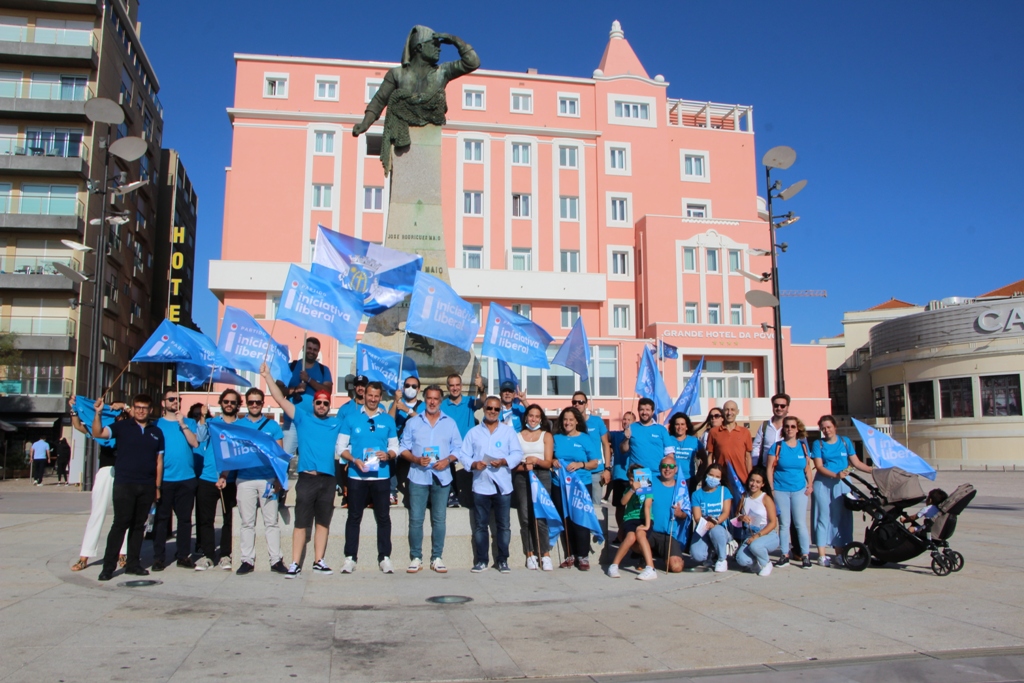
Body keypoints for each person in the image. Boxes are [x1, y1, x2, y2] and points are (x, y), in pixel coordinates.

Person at [261, 362, 343, 579]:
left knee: (323, 523)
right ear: (314, 403)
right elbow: (279, 399)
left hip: (328, 480)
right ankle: (295, 563)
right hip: (307, 478)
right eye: (319, 402)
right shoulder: (302, 418)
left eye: (326, 403)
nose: (322, 405)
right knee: (301, 523)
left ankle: (319, 561)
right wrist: (267, 376)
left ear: (329, 405)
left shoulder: (336, 423)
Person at [92, 395, 163, 581]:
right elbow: (98, 433)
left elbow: (159, 461)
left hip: (147, 485)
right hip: (125, 483)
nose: (141, 410)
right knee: (120, 524)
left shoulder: (156, 432)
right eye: (138, 407)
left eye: (145, 408)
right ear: (133, 408)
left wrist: (157, 487)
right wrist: (98, 414)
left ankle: (133, 563)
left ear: (150, 410)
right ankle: (108, 567)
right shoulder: (122, 427)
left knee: (139, 526)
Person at [336, 381, 400, 574]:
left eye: (376, 396)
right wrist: (354, 460)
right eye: (370, 395)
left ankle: (385, 557)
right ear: (364, 396)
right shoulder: (351, 418)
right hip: (357, 476)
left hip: (381, 476)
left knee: (384, 518)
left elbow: (395, 447)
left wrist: (388, 455)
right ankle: (350, 558)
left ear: (381, 397)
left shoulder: (388, 420)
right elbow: (341, 448)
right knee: (354, 517)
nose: (373, 399)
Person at [398, 385, 462, 573]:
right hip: (418, 476)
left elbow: (458, 449)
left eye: (436, 399)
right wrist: (416, 459)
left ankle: (437, 557)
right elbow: (402, 448)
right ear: (424, 399)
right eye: (429, 398)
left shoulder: (449, 423)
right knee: (416, 519)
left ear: (440, 401)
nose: (432, 402)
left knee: (439, 519)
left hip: (442, 476)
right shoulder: (413, 423)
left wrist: (447, 460)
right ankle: (416, 557)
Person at [457, 395, 523, 573]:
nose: (492, 412)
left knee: (503, 525)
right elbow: (463, 454)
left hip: (502, 485)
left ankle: (502, 560)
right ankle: (482, 560)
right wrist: (473, 464)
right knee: (480, 525)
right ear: (484, 410)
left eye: (496, 409)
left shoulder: (508, 432)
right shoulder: (474, 432)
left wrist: (504, 461)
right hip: (481, 485)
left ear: (500, 411)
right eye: (489, 408)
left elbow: (517, 454)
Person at [232, 387, 288, 575]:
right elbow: (231, 453)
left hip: (267, 479)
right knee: (247, 522)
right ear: (246, 404)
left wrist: (280, 479)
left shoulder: (272, 426)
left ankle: (276, 560)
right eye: (251, 402)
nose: (254, 405)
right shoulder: (239, 425)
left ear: (262, 403)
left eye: (257, 402)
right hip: (245, 478)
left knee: (271, 522)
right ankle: (247, 560)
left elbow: (279, 455)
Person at [70, 399, 129, 571]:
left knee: (124, 515)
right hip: (106, 471)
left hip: (125, 472)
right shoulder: (104, 428)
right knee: (97, 513)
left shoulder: (129, 428)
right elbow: (79, 427)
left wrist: (125, 406)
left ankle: (123, 553)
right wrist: (74, 410)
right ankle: (84, 556)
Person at [811, 415, 872, 567]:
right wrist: (835, 475)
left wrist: (875, 471)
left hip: (843, 484)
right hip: (823, 483)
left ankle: (839, 554)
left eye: (829, 427)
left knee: (840, 518)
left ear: (835, 427)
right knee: (822, 516)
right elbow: (819, 466)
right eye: (823, 428)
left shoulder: (845, 441)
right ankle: (822, 555)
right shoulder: (818, 444)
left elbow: (856, 463)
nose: (826, 430)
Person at [151, 388, 200, 571]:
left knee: (185, 520)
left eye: (178, 399)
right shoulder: (156, 424)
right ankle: (158, 557)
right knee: (162, 520)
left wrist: (183, 424)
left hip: (186, 478)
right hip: (164, 479)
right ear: (163, 403)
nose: (175, 402)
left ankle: (183, 555)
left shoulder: (188, 422)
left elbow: (195, 443)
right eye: (171, 399)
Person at [193, 391, 240, 571]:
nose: (229, 404)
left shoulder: (240, 425)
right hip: (208, 477)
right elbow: (200, 438)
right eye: (226, 401)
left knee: (229, 519)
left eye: (233, 402)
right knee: (206, 519)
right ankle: (207, 555)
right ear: (221, 403)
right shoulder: (213, 423)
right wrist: (203, 418)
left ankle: (226, 555)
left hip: (231, 479)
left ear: (237, 405)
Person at [551, 406, 600, 570]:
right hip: (560, 484)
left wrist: (581, 464)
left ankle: (583, 556)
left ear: (577, 421)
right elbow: (549, 457)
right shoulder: (556, 438)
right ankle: (570, 554)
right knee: (565, 520)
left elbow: (595, 462)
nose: (567, 422)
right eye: (565, 419)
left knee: (581, 519)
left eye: (571, 419)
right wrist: (553, 462)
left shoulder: (585, 438)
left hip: (580, 484)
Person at [766, 416, 814, 569]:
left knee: (800, 524)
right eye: (787, 426)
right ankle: (784, 554)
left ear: (797, 428)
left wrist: (810, 485)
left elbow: (807, 468)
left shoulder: (803, 447)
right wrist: (772, 488)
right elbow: (769, 469)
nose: (790, 429)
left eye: (793, 426)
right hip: (781, 490)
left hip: (799, 490)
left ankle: (805, 555)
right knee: (784, 524)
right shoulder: (777, 447)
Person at [513, 404, 554, 571]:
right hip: (522, 476)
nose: (534, 419)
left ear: (541, 419)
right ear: (526, 417)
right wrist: (525, 465)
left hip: (541, 476)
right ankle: (529, 553)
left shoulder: (546, 435)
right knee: (525, 516)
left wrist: (534, 461)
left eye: (537, 416)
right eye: (531, 416)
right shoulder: (517, 436)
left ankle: (545, 554)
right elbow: (513, 463)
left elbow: (548, 462)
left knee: (541, 516)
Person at [278, 337, 334, 461]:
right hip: (292, 422)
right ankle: (280, 480)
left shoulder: (323, 370)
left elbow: (327, 391)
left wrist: (309, 380)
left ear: (318, 352)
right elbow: (279, 390)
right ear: (303, 349)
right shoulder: (290, 367)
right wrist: (295, 390)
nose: (311, 351)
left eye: (315, 350)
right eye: (309, 348)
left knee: (311, 458)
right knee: (283, 458)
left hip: (313, 422)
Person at [441, 372, 486, 508]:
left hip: (469, 446)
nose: (455, 388)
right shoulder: (442, 405)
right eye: (452, 385)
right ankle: (452, 495)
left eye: (457, 385)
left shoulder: (470, 401)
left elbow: (483, 401)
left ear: (461, 386)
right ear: (448, 387)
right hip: (451, 447)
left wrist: (482, 388)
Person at [606, 464, 656, 580]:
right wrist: (633, 490)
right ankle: (614, 565)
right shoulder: (629, 489)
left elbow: (647, 507)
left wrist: (647, 525)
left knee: (641, 534)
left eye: (634, 479)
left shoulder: (647, 489)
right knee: (630, 537)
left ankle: (650, 568)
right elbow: (623, 502)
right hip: (630, 518)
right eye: (630, 479)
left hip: (644, 518)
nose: (631, 482)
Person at [733, 467, 780, 576]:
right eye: (752, 481)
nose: (754, 484)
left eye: (758, 482)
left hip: (766, 533)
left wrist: (758, 535)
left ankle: (766, 563)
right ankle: (755, 564)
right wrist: (741, 517)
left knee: (755, 546)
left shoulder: (766, 498)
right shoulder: (744, 496)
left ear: (763, 484)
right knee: (741, 559)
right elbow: (737, 514)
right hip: (749, 533)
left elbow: (773, 523)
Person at [571, 392, 610, 518]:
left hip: (596, 472)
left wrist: (607, 468)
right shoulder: (571, 424)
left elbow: (605, 444)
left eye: (580, 402)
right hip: (578, 472)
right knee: (578, 508)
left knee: (595, 509)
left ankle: (596, 536)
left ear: (586, 404)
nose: (577, 405)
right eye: (574, 402)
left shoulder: (596, 421)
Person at [647, 455, 688, 573]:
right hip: (649, 529)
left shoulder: (681, 488)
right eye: (664, 466)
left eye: (671, 466)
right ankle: (643, 556)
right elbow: (638, 501)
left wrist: (680, 513)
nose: (667, 469)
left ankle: (672, 556)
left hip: (669, 534)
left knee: (676, 567)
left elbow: (687, 514)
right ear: (660, 468)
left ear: (675, 469)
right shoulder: (650, 480)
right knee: (633, 539)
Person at [690, 463, 733, 572]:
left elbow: (726, 512)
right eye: (711, 475)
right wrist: (706, 523)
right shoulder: (696, 494)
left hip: (719, 527)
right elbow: (697, 517)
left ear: (721, 479)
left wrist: (714, 522)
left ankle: (722, 559)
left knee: (715, 531)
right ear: (706, 475)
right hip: (703, 527)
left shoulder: (724, 491)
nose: (713, 478)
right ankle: (710, 554)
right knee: (697, 555)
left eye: (717, 476)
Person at [706, 400, 752, 499]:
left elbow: (748, 457)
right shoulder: (714, 432)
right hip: (721, 478)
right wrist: (709, 475)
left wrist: (749, 476)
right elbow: (710, 456)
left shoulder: (745, 432)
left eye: (732, 410)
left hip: (741, 478)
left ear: (737, 412)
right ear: (723, 412)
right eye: (726, 410)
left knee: (740, 508)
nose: (729, 413)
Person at [389, 375, 422, 505]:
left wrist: (407, 410)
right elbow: (389, 421)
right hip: (399, 443)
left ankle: (416, 494)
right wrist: (395, 403)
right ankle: (391, 492)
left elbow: (424, 421)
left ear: (418, 389)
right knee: (390, 459)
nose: (410, 388)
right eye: (407, 385)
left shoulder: (423, 405)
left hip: (416, 445)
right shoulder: (396, 404)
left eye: (414, 386)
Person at [337, 374, 369, 505]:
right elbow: (338, 431)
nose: (361, 388)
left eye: (363, 386)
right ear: (354, 388)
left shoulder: (377, 408)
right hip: (349, 448)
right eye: (358, 386)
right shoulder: (345, 408)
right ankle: (346, 494)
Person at [624, 398, 675, 472]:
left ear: (652, 411)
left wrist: (667, 471)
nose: (644, 412)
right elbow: (623, 450)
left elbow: (670, 454)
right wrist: (626, 439)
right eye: (642, 409)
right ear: (638, 410)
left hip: (657, 474)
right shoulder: (631, 427)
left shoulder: (661, 430)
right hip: (637, 473)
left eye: (647, 410)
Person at [607, 411, 635, 541]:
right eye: (624, 419)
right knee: (619, 506)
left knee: (635, 506)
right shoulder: (616, 435)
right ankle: (621, 532)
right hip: (619, 475)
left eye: (629, 419)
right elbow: (603, 435)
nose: (626, 421)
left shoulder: (638, 435)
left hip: (635, 476)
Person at [751, 393, 790, 468]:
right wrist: (754, 465)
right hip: (765, 468)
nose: (779, 408)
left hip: (785, 470)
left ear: (787, 408)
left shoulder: (792, 427)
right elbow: (756, 447)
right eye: (776, 405)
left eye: (782, 406)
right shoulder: (764, 426)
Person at [667, 413, 704, 489]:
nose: (680, 427)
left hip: (689, 480)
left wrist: (699, 476)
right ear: (673, 426)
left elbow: (705, 460)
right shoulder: (668, 440)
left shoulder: (694, 441)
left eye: (682, 424)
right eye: (677, 424)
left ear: (687, 427)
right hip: (671, 478)